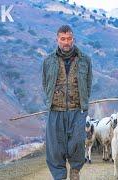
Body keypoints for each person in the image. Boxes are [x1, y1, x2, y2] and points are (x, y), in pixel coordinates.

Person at [42, 25, 93, 180]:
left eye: (69, 38)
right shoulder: (48, 61)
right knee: (55, 147)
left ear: (73, 39)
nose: (66, 42)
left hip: (77, 110)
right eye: (63, 39)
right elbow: (45, 83)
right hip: (55, 110)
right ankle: (59, 176)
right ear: (57, 39)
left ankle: (75, 170)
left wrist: (82, 103)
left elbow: (88, 83)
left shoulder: (85, 60)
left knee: (77, 143)